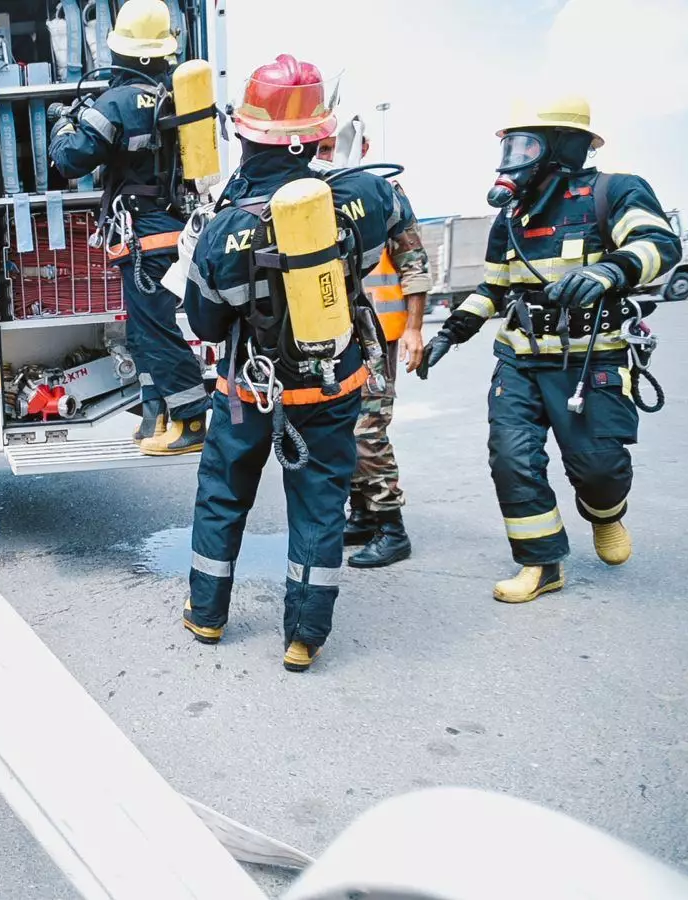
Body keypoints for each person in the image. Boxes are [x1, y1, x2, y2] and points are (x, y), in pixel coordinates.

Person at [172, 54, 413, 672]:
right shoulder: (364, 194)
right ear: (317, 135)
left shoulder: (224, 231)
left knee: (224, 496)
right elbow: (399, 217)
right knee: (319, 503)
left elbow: (203, 324)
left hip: (251, 392)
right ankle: (304, 637)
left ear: (245, 134)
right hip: (334, 387)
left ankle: (207, 615)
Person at [417, 95, 678, 603]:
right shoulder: (512, 216)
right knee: (512, 459)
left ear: (563, 146)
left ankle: (606, 513)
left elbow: (657, 244)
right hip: (519, 359)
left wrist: (609, 271)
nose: (514, 155)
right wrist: (450, 333)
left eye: (526, 143)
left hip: (591, 359)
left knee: (598, 468)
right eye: (510, 144)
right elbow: (494, 289)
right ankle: (542, 564)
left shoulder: (614, 191)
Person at [48, 0, 209, 455]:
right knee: (142, 331)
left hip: (145, 236)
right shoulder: (172, 98)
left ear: (120, 52)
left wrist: (63, 123)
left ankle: (192, 420)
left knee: (155, 331)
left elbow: (69, 160)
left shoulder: (116, 102)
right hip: (160, 230)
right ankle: (156, 416)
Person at [314, 115, 433, 568]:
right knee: (342, 430)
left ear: (360, 148)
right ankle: (362, 514)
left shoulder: (383, 194)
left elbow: (414, 264)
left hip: (378, 336)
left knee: (367, 431)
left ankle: (391, 526)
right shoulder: (311, 197)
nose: (324, 157)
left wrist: (416, 329)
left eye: (331, 148)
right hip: (333, 338)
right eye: (319, 148)